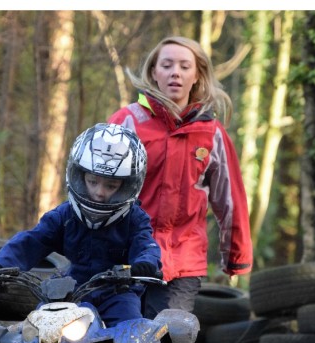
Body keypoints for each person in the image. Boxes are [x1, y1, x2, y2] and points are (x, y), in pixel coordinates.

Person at [108, 36, 253, 317]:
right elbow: (93, 188)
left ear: (197, 75)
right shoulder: (125, 122)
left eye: (185, 66)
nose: (176, 72)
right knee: (118, 340)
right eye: (167, 65)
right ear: (153, 72)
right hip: (123, 255)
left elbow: (230, 200)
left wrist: (236, 258)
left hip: (182, 262)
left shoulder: (212, 133)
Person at [0, 122, 161, 327]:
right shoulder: (64, 215)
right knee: (37, 328)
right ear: (79, 176)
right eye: (93, 182)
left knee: (132, 333)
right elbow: (32, 240)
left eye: (111, 186)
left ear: (128, 185)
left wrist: (145, 264)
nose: (100, 192)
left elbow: (146, 245)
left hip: (118, 294)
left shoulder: (135, 219)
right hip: (70, 292)